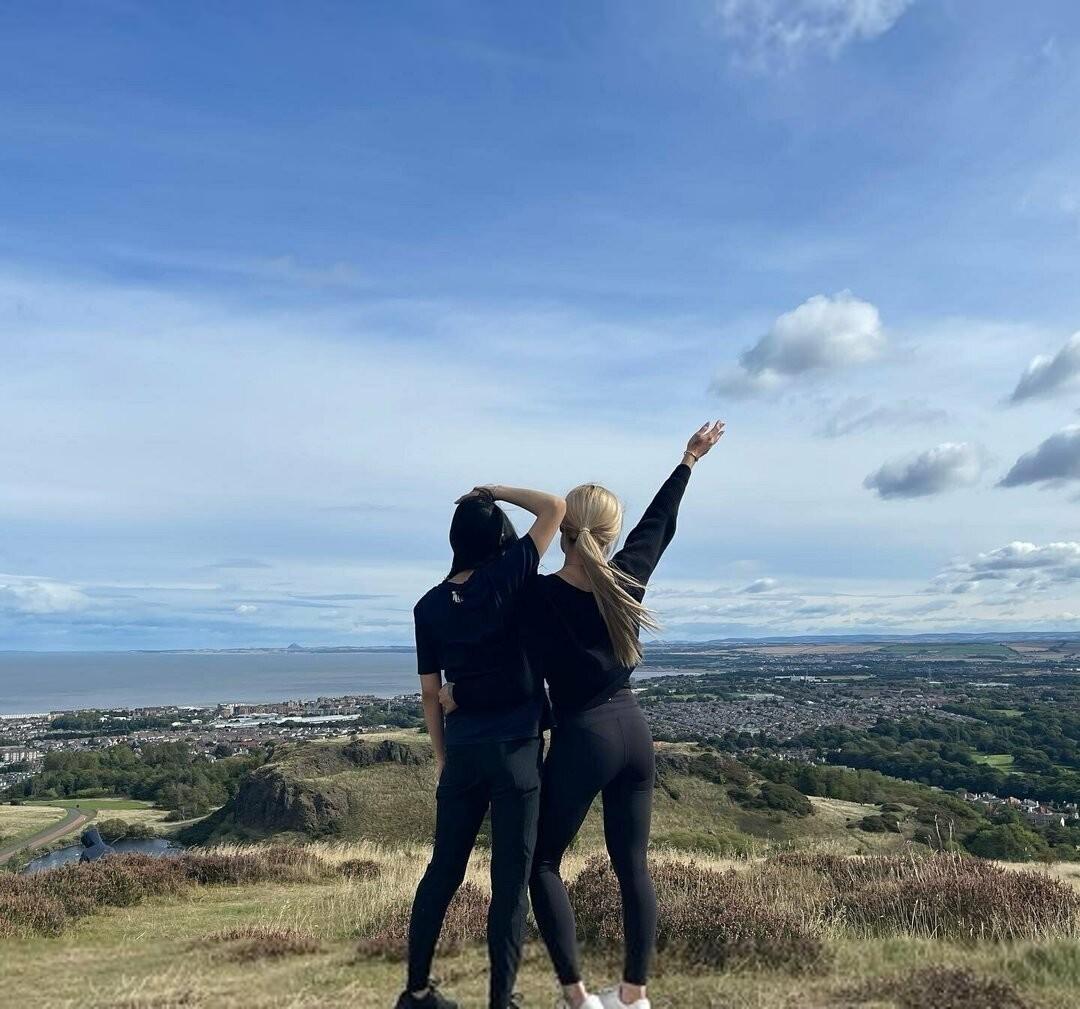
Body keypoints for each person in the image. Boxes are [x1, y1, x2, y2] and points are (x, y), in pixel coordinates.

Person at [522, 421, 725, 1009]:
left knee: (543, 863)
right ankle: (634, 994)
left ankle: (578, 998)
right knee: (632, 866)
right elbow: (659, 524)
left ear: (562, 531)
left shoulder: (537, 595)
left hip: (583, 735)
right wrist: (688, 460)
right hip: (634, 732)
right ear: (611, 536)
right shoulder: (626, 579)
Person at [397, 482, 566, 1009]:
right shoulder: (509, 574)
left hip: (465, 751)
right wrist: (494, 489)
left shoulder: (427, 606)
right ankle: (501, 999)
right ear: (497, 538)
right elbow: (555, 507)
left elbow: (431, 693)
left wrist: (442, 756)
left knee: (442, 871)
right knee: (510, 883)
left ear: (454, 541)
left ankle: (416, 990)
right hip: (516, 749)